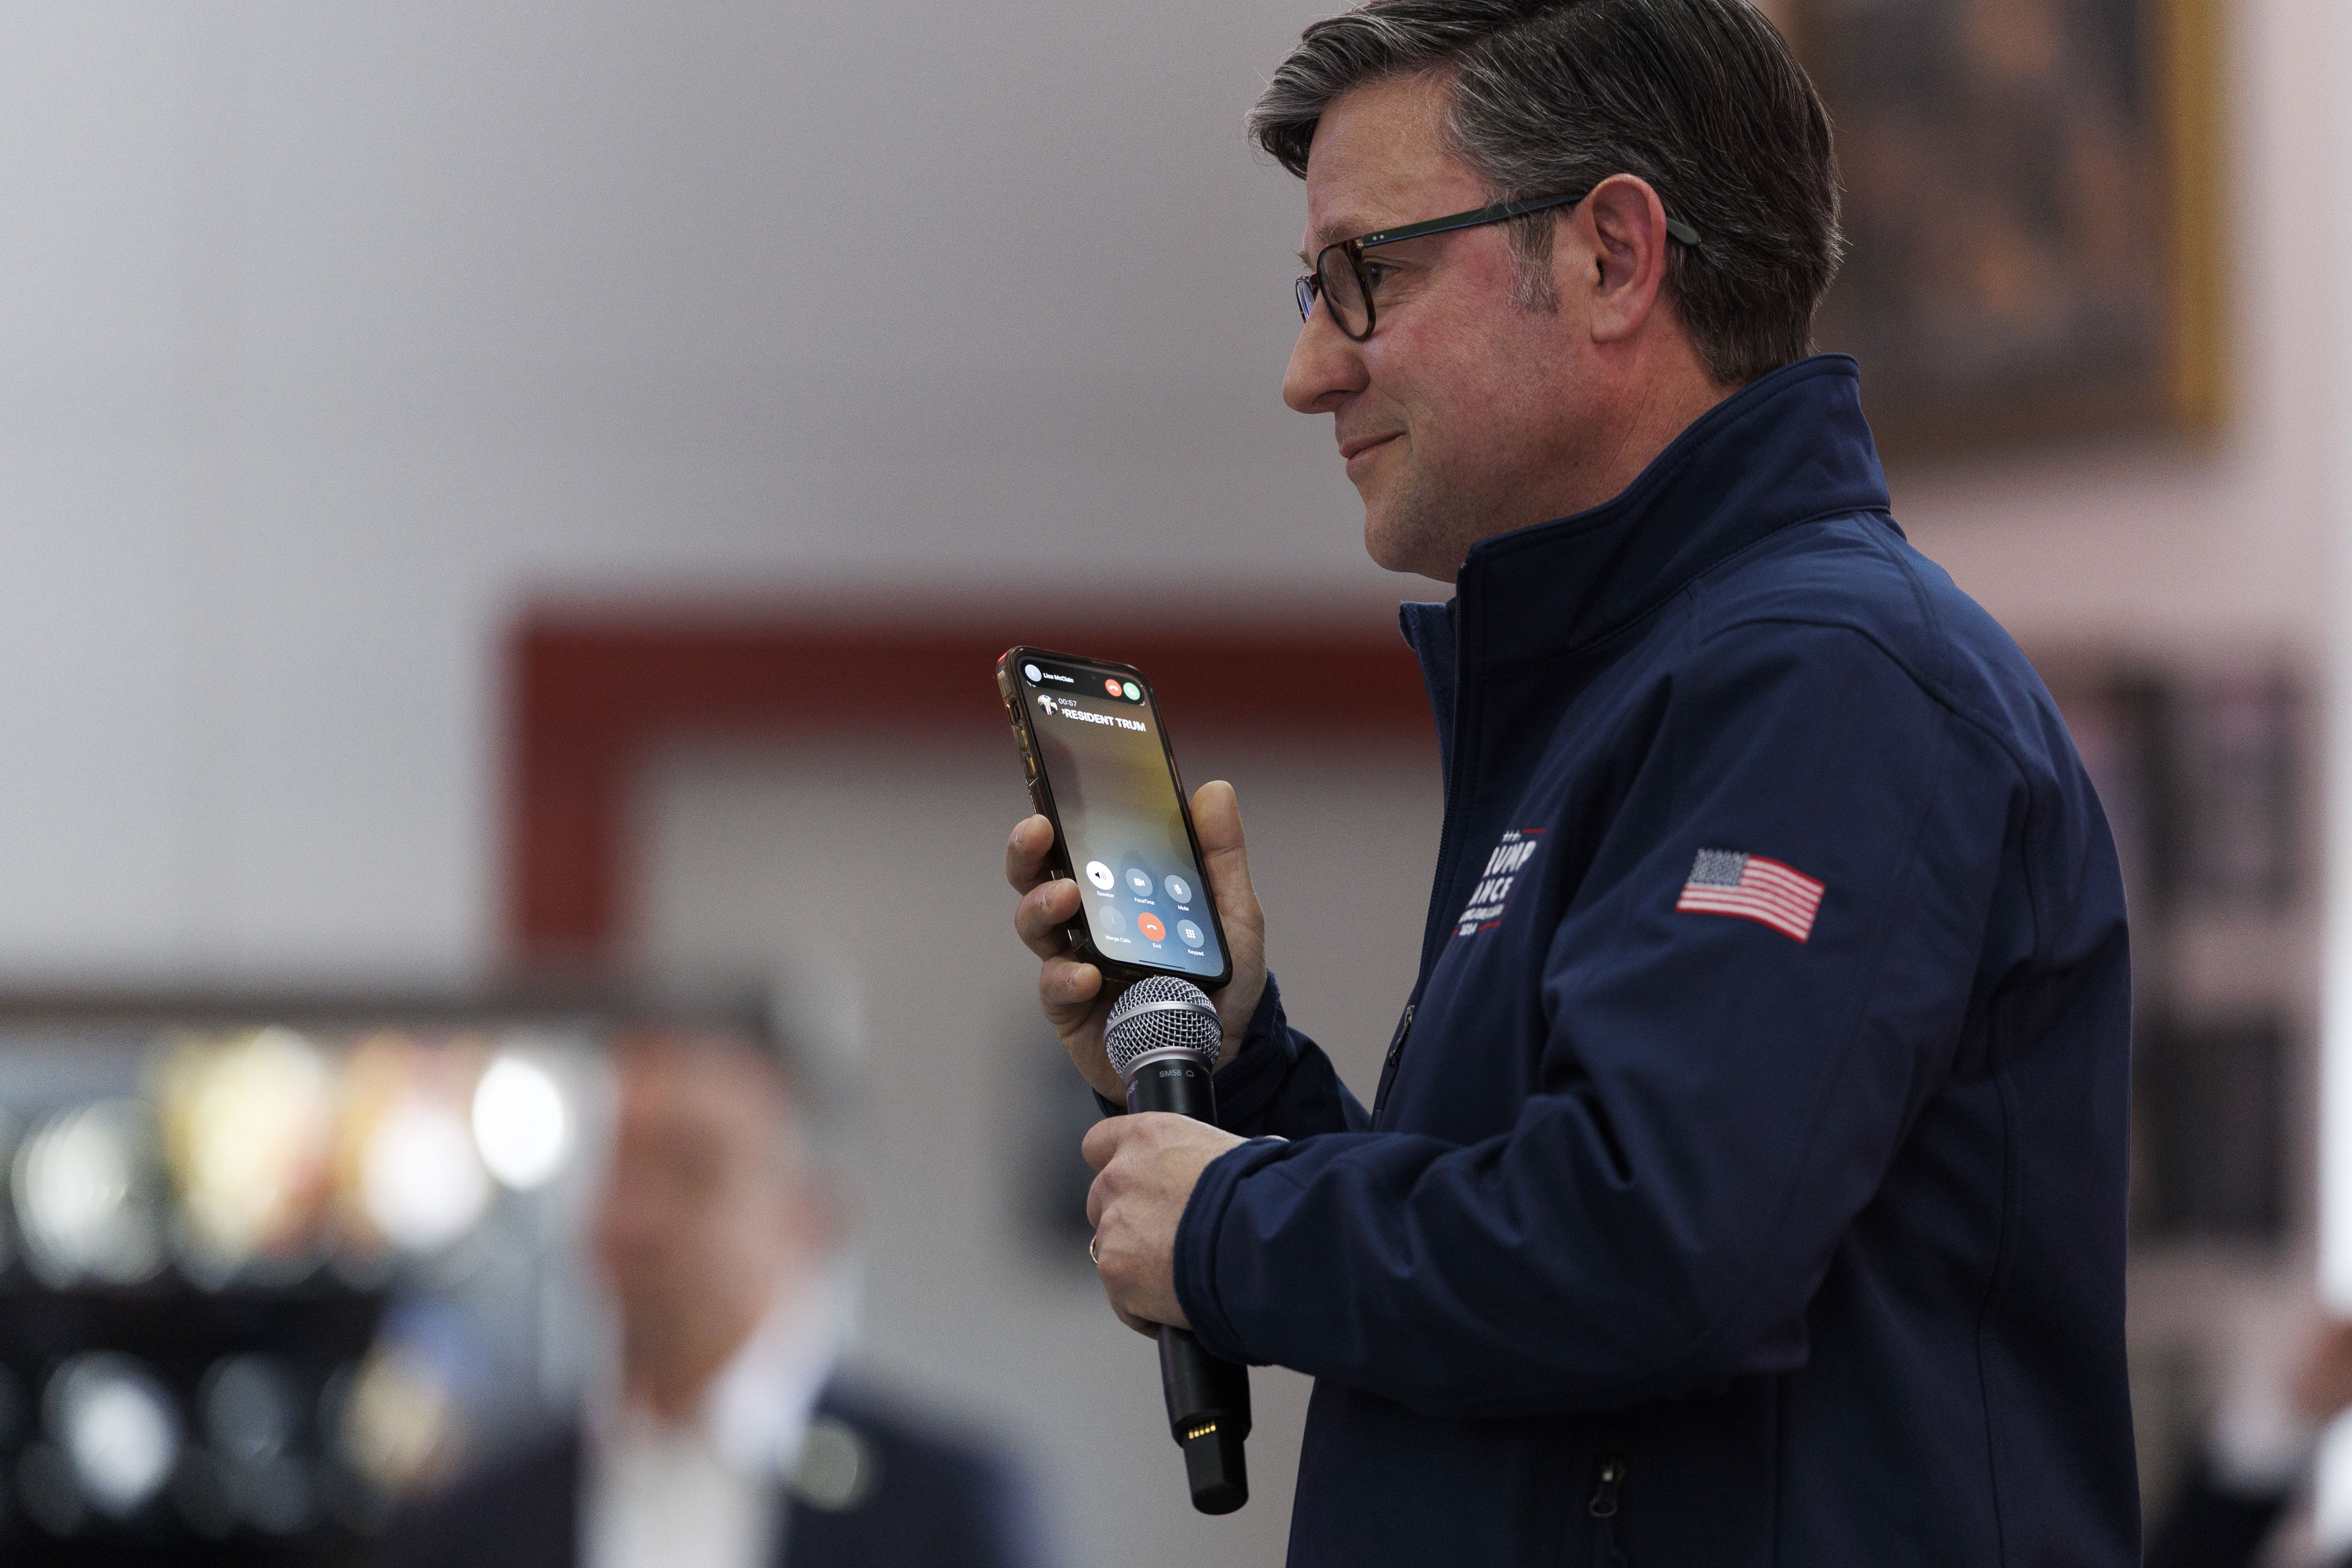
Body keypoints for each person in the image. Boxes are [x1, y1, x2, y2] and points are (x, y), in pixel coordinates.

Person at [1003, 0, 2136, 1562]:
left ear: (1613, 255)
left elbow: (1652, 1246)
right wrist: (1237, 1068)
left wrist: (1225, 1226)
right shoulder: (1653, 681)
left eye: (1364, 276)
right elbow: (1519, 1277)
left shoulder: (1832, 676)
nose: (1308, 370)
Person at [377, 1024, 1046, 1568]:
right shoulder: (474, 1517)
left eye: (694, 1173)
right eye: (622, 1165)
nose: (639, 1217)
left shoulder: (940, 1505)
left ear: (809, 1217)